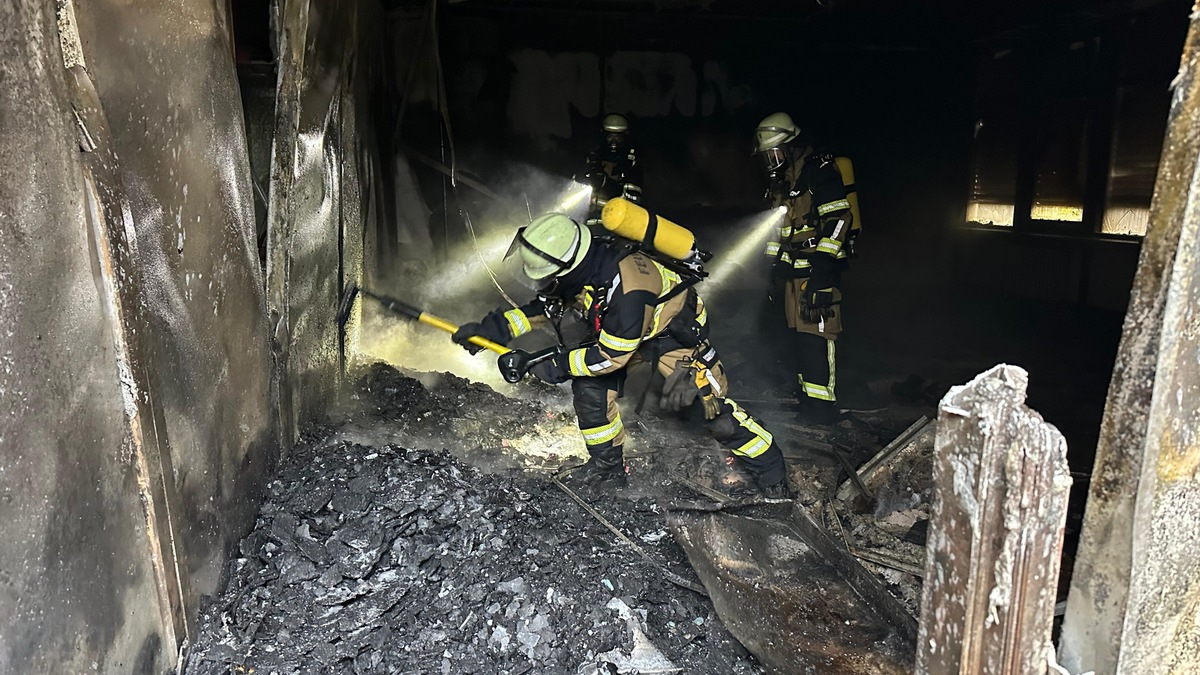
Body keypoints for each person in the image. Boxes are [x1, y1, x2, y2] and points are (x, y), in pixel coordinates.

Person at [450, 213, 790, 496]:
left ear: (568, 267)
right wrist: (492, 329)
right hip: (626, 333)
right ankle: (608, 470)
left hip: (673, 335)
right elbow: (543, 307)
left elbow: (609, 357)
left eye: (549, 276)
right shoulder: (583, 266)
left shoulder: (628, 291)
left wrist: (550, 365)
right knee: (591, 392)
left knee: (708, 410)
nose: (545, 283)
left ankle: (772, 469)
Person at [755, 112, 855, 425]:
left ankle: (823, 409)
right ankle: (807, 402)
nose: (772, 161)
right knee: (797, 341)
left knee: (817, 339)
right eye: (767, 156)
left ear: (792, 146)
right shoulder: (784, 184)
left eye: (775, 153)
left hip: (817, 272)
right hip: (793, 276)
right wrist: (773, 272)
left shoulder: (819, 172)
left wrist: (823, 274)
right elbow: (779, 234)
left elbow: (839, 220)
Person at [580, 113, 643, 227]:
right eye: (610, 137)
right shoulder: (593, 157)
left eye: (617, 137)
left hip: (618, 223)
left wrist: (606, 183)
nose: (613, 142)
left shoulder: (632, 163)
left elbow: (634, 199)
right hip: (590, 222)